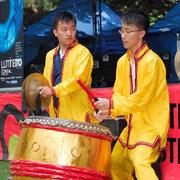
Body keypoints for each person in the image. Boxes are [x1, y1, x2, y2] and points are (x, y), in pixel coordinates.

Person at [94, 10, 169, 180]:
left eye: (128, 31)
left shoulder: (152, 61)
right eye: (122, 30)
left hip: (151, 126)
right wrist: (108, 112)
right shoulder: (122, 62)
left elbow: (143, 99)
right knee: (116, 163)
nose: (123, 35)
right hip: (131, 128)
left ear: (141, 34)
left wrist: (112, 105)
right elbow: (119, 94)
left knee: (140, 161)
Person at [38, 11, 97, 123]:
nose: (69, 33)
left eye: (73, 29)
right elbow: (46, 82)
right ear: (55, 32)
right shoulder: (50, 55)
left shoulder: (83, 53)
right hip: (56, 116)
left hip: (78, 116)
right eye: (64, 29)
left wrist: (53, 90)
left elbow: (78, 80)